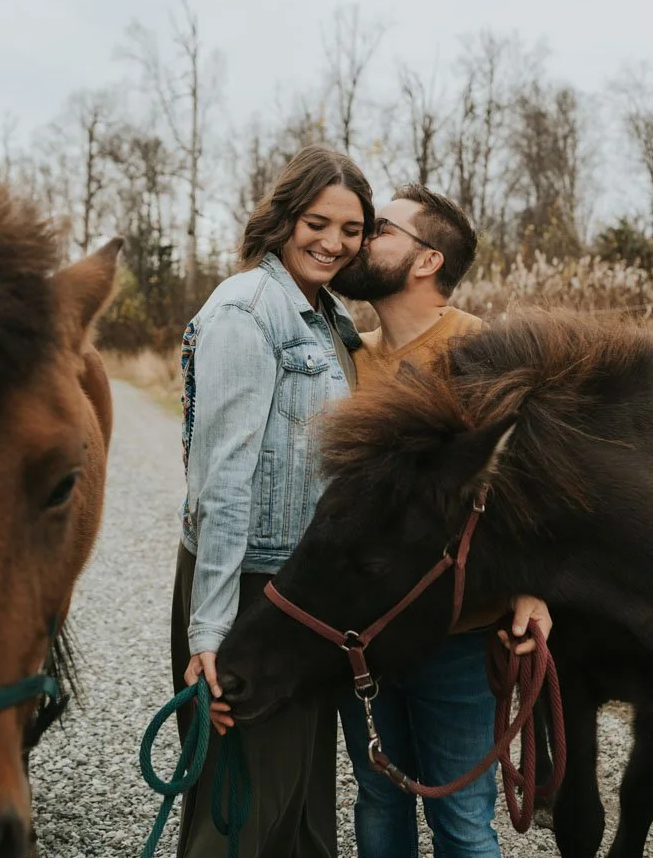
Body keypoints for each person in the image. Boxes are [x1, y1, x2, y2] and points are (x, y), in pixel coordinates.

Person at [332, 183, 553, 858]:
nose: (361, 238)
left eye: (381, 230)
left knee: (460, 818)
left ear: (427, 261)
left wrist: (528, 587)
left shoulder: (485, 353)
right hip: (362, 633)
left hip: (456, 634)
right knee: (378, 798)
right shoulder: (345, 355)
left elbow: (533, 484)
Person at [170, 146, 375, 858]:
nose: (333, 242)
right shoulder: (246, 310)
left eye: (350, 230)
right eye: (317, 223)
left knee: (300, 801)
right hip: (252, 585)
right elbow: (222, 482)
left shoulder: (325, 315)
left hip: (303, 585)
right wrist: (210, 629)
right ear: (285, 218)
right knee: (242, 804)